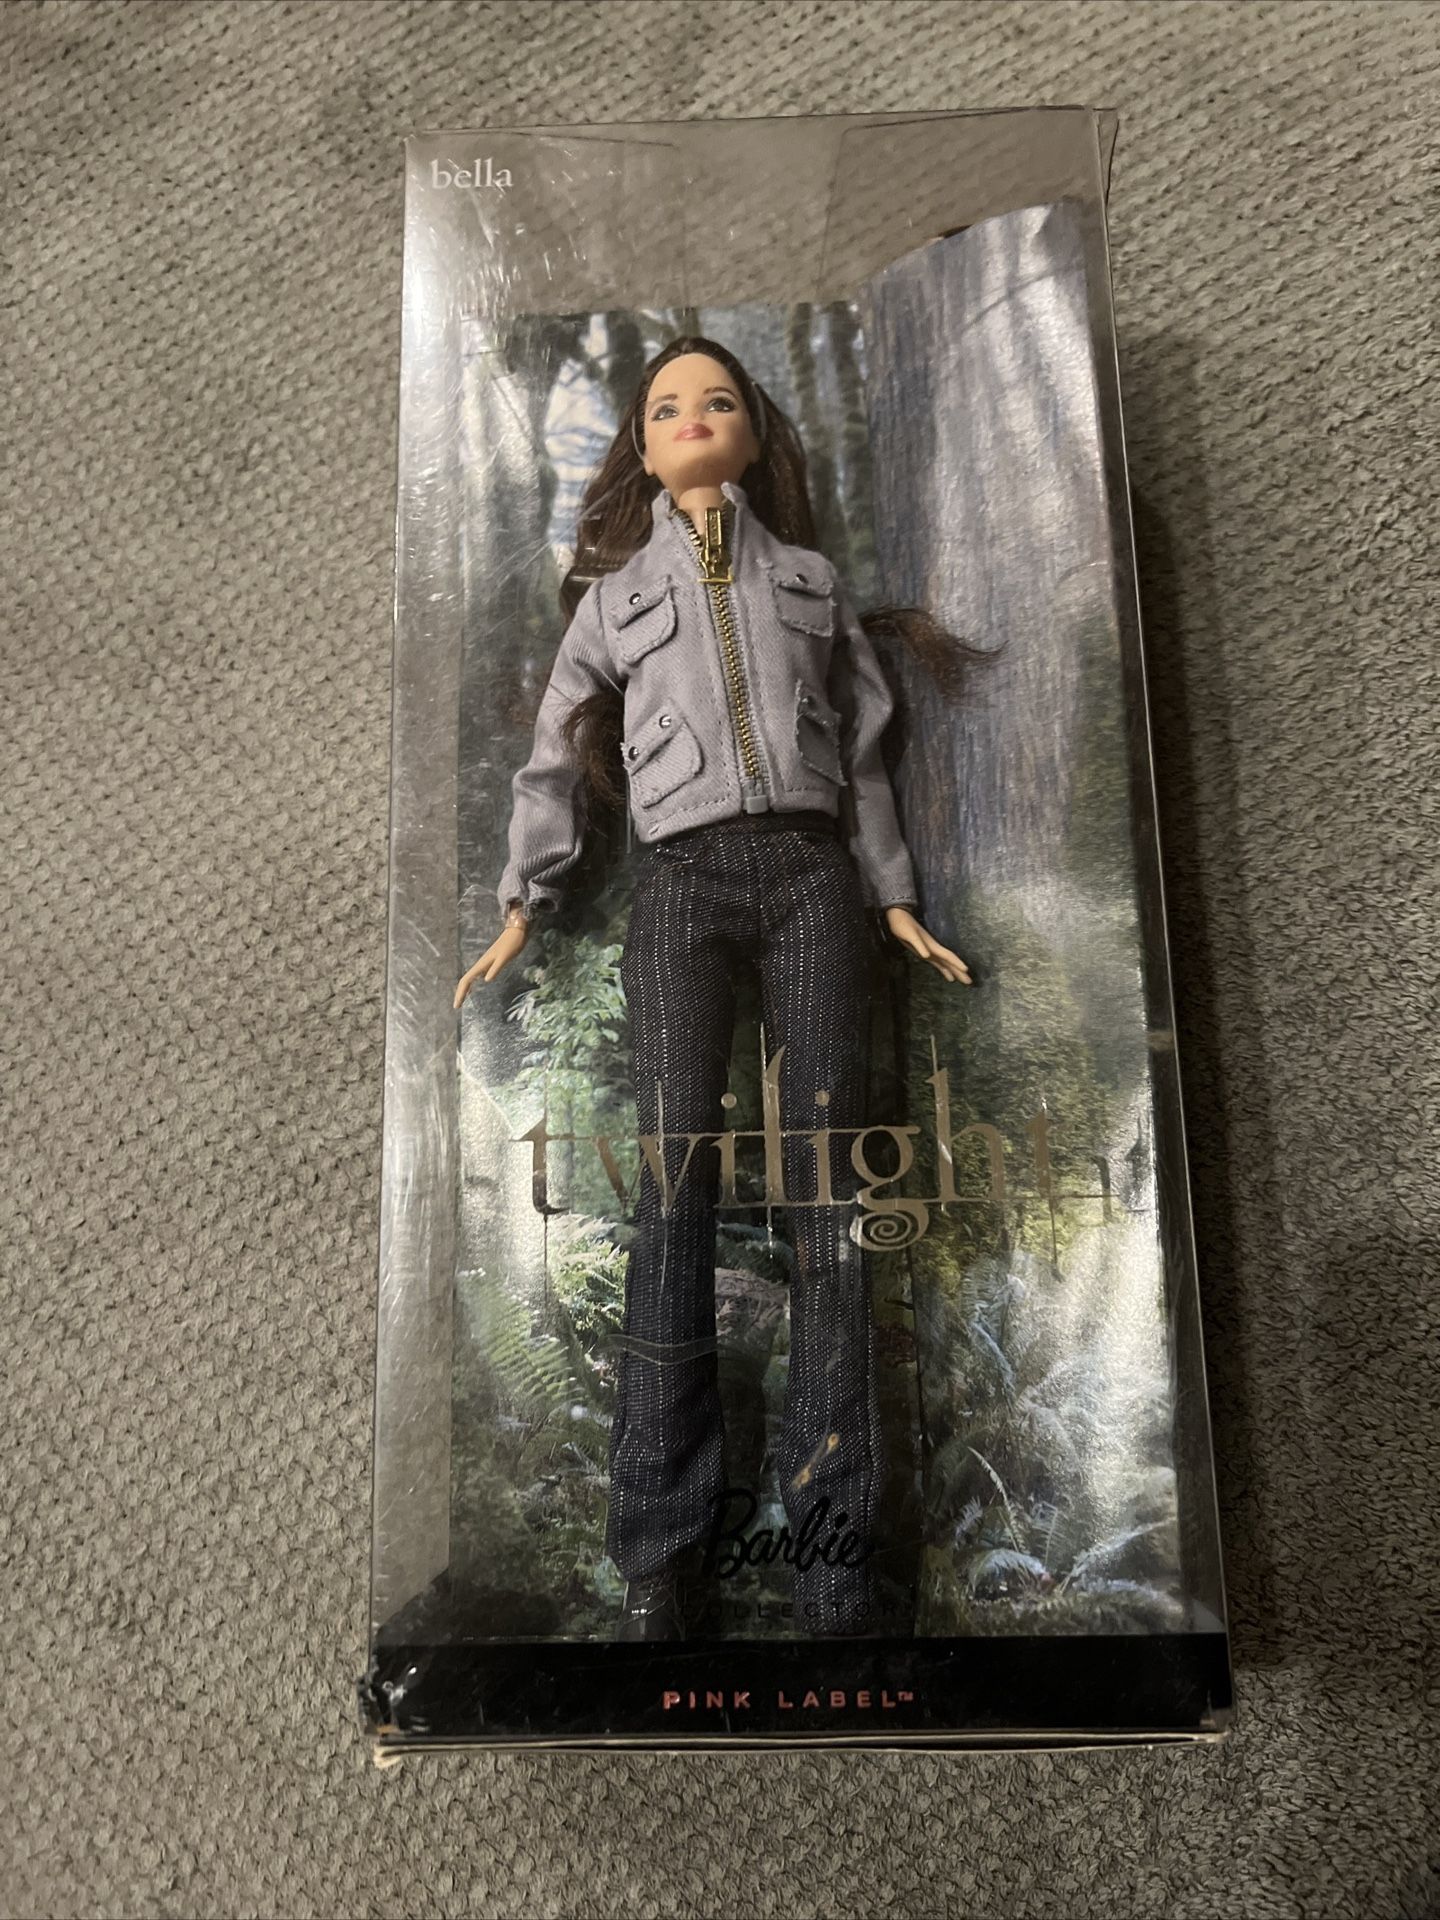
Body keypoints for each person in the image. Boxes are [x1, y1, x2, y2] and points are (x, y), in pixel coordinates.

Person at [455, 337, 973, 1639]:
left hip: (811, 883)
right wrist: (526, 899)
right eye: (667, 407)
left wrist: (894, 897)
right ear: (640, 445)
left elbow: (865, 750)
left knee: (830, 1201)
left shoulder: (810, 582)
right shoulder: (615, 600)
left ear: (753, 433)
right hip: (680, 886)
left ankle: (835, 1557)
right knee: (672, 1193)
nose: (693, 418)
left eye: (719, 400)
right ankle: (660, 1551)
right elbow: (555, 753)